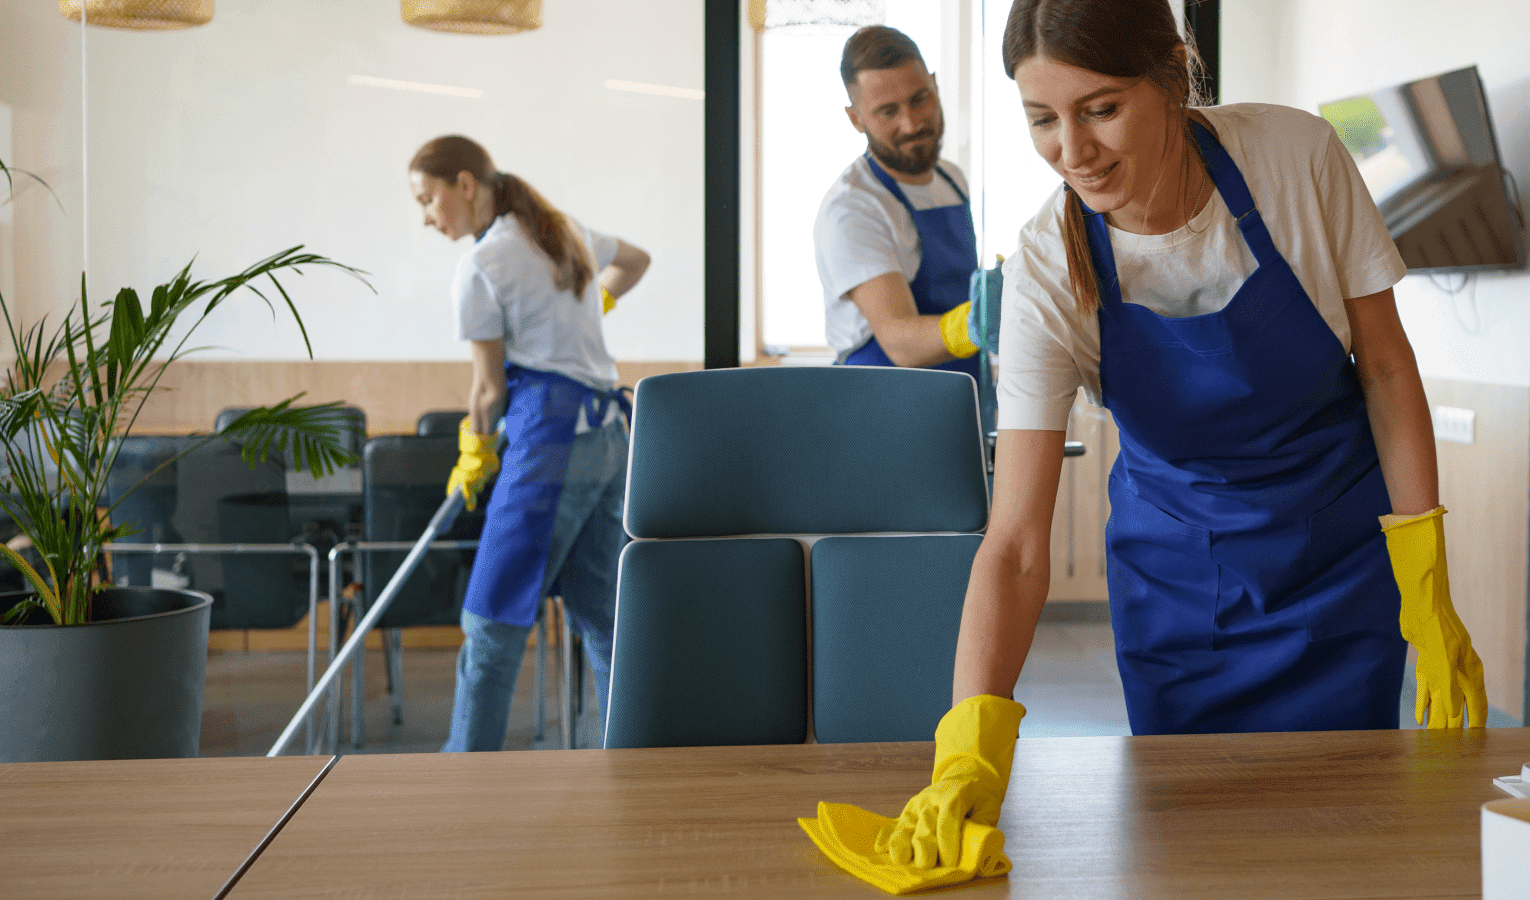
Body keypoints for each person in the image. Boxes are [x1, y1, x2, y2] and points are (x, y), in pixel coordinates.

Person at [873, 0, 1489, 874]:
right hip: (1179, 593)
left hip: (1339, 573)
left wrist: (1425, 584)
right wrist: (968, 741)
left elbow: (1386, 370)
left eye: (1102, 108)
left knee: (1343, 848)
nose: (1073, 153)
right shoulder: (1049, 263)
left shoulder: (1294, 158)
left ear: (1173, 71)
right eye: (1042, 119)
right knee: (1193, 855)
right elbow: (1012, 544)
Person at [408, 135, 650, 752]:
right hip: (611, 438)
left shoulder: (483, 265)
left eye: (429, 199)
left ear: (467, 184)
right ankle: (626, 756)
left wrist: (475, 452)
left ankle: (467, 768)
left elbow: (488, 392)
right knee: (602, 612)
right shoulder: (561, 229)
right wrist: (592, 304)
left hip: (550, 444)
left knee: (492, 615)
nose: (428, 217)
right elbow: (638, 259)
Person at [813, 26, 1000, 387]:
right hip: (881, 407)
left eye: (920, 99)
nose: (911, 123)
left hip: (961, 392)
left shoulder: (951, 179)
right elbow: (900, 342)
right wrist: (981, 322)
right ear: (856, 119)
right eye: (887, 111)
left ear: (934, 85)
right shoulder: (852, 209)